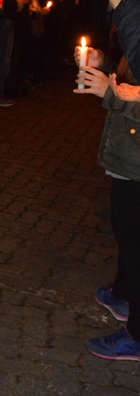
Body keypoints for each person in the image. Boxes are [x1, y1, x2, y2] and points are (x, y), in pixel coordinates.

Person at [74, 46, 140, 360]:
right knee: (126, 233)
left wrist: (111, 95)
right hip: (131, 154)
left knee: (135, 242)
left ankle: (137, 336)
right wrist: (106, 64)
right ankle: (125, 295)